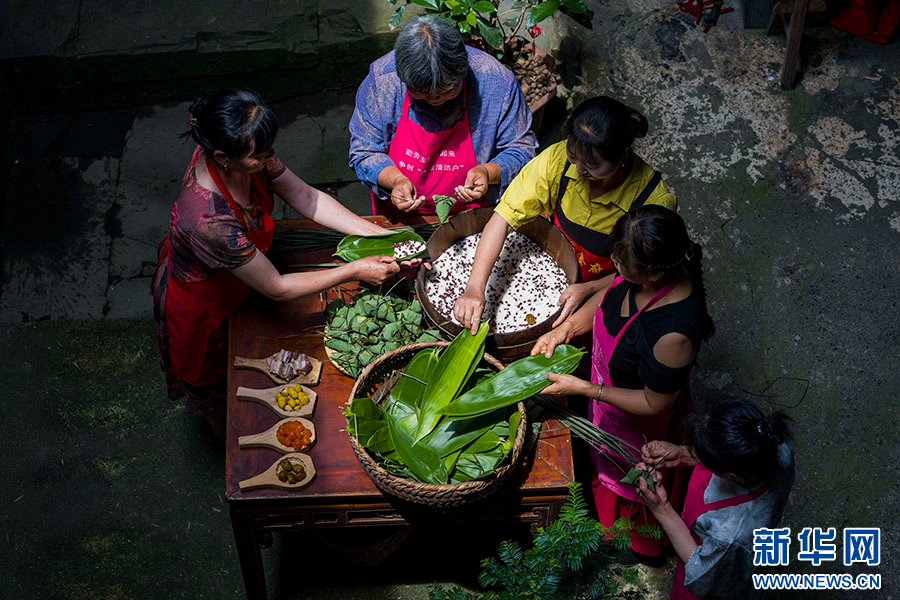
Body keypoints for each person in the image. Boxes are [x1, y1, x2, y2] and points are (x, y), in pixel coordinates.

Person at [152, 88, 417, 437]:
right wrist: (354, 269)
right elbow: (276, 287)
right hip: (206, 304)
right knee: (218, 394)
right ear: (222, 157)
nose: (268, 159)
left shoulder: (249, 151)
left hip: (244, 278)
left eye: (267, 150)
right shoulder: (208, 220)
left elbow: (306, 196)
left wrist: (375, 236)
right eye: (258, 156)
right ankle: (225, 444)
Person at [531, 205, 714, 562]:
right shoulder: (640, 274)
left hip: (640, 422)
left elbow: (655, 403)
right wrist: (564, 330)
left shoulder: (674, 332)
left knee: (631, 486)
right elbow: (612, 293)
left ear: (652, 275)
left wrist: (585, 389)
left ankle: (633, 546)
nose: (614, 269)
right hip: (607, 392)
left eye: (620, 264)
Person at [454, 96, 675, 334]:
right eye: (573, 154)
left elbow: (645, 278)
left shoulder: (652, 200)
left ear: (621, 157)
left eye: (592, 164)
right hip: (557, 264)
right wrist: (475, 287)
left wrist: (591, 288)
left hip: (612, 286)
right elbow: (504, 217)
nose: (579, 169)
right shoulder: (557, 160)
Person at [348, 15, 538, 222]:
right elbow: (364, 152)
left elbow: (522, 149)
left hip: (475, 215)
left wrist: (488, 172)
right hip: (402, 218)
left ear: (462, 72)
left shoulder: (495, 82)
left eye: (446, 90)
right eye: (421, 92)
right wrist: (395, 181)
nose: (434, 99)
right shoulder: (383, 81)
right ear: (403, 79)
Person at [636, 398, 795, 599]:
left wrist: (662, 509)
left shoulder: (730, 532)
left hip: (717, 562)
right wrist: (684, 454)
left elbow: (701, 568)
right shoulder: (776, 447)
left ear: (731, 476)